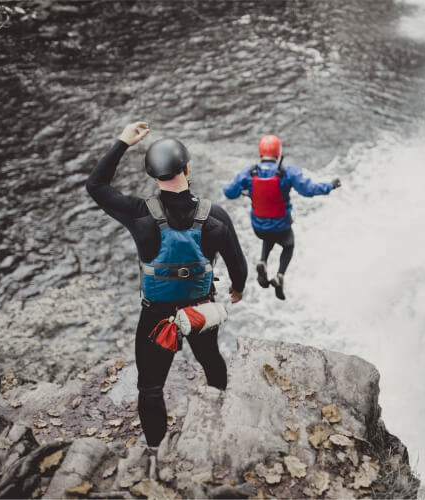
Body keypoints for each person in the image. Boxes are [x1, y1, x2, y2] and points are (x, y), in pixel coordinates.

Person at [86, 121, 247, 464]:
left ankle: (157, 451)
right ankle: (215, 416)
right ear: (188, 168)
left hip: (157, 314)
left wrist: (123, 142)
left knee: (151, 386)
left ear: (152, 177)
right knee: (211, 360)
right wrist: (237, 289)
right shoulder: (215, 216)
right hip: (201, 310)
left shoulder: (138, 213)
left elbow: (96, 185)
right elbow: (238, 264)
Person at [223, 134, 340, 300]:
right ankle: (280, 275)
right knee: (288, 245)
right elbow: (309, 190)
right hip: (281, 228)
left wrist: (244, 189)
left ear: (260, 153)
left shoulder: (248, 173)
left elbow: (229, 192)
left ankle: (263, 260)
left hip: (259, 229)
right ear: (278, 154)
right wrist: (330, 186)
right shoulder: (287, 172)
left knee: (268, 233)